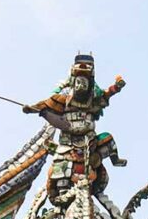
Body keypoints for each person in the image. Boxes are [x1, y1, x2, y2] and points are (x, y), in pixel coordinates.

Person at [23, 54, 127, 203]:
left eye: (84, 83)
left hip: (89, 141)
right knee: (62, 163)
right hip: (68, 142)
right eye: (78, 82)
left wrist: (117, 87)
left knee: (108, 139)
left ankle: (115, 160)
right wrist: (32, 109)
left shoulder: (93, 101)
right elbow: (45, 104)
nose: (80, 86)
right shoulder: (64, 100)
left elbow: (107, 94)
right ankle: (62, 193)